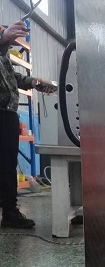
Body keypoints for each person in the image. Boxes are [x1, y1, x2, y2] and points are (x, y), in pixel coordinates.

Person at [0, 21, 56, 228]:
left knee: (7, 165)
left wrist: (34, 82)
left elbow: (11, 76)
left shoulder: (3, 53)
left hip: (8, 113)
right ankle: (9, 211)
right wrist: (4, 38)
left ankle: (9, 212)